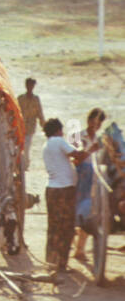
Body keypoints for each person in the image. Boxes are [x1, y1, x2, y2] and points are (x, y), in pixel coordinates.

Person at [42, 118, 99, 274]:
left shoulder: (47, 145)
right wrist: (92, 149)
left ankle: (52, 262)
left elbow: (69, 162)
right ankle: (61, 264)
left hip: (52, 189)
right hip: (64, 190)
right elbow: (78, 156)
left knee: (54, 227)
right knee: (66, 227)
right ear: (58, 130)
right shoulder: (59, 141)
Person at [71, 108, 106, 264]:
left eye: (98, 123)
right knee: (74, 213)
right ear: (88, 120)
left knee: (88, 212)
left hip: (92, 182)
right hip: (77, 179)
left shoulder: (100, 141)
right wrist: (90, 149)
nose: (95, 125)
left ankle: (80, 249)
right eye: (93, 121)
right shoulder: (77, 137)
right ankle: (72, 247)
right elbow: (75, 161)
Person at [17, 78, 45, 173]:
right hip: (20, 127)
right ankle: (20, 164)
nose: (30, 87)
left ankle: (24, 166)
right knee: (19, 146)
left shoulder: (36, 99)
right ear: (26, 85)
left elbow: (40, 113)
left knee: (27, 146)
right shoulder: (20, 98)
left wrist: (44, 126)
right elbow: (15, 112)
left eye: (32, 85)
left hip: (30, 128)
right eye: (29, 85)